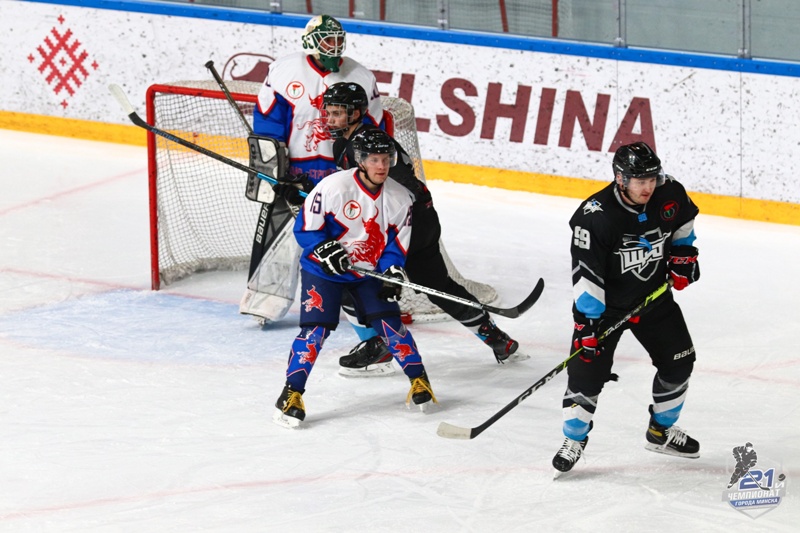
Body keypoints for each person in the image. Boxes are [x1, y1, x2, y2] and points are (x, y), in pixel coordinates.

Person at [319, 82, 520, 372]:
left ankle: (378, 345)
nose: (330, 119)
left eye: (337, 113)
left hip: (403, 226)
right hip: (422, 220)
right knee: (438, 285)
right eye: (329, 112)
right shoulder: (354, 142)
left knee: (347, 279)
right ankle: (497, 339)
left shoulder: (365, 145)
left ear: (356, 113)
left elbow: (389, 190)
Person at [552, 141, 701, 474]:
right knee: (586, 377)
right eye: (640, 181)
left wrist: (683, 256)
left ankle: (660, 432)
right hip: (606, 311)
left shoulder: (669, 193)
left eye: (651, 179)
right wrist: (588, 324)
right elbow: (586, 273)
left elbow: (684, 221)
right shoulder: (595, 217)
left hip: (653, 299)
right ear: (621, 179)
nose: (648, 187)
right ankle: (574, 439)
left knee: (680, 364)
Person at [273, 129, 436, 428]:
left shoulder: (400, 198)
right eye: (374, 159)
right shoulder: (333, 187)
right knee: (315, 332)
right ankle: (291, 394)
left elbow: (395, 246)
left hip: (366, 273)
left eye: (386, 159)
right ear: (360, 160)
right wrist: (323, 247)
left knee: (391, 326)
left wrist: (392, 271)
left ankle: (419, 380)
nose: (381, 166)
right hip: (323, 272)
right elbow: (307, 228)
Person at [240, 14, 384, 325]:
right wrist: (274, 170)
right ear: (311, 42)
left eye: (338, 39)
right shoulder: (285, 70)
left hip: (339, 173)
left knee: (348, 238)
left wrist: (362, 170)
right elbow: (268, 121)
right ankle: (265, 303)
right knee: (280, 236)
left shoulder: (360, 75)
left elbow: (374, 126)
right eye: (327, 40)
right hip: (294, 172)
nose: (334, 46)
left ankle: (362, 306)